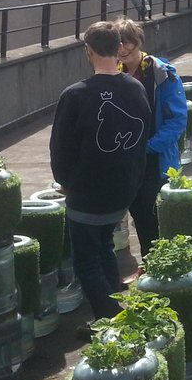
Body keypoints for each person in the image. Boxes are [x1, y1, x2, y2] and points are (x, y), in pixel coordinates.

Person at [50, 21, 151, 325]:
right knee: (105, 248)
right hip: (122, 192)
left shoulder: (75, 95)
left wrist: (66, 184)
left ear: (88, 51)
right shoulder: (136, 88)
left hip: (87, 195)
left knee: (86, 262)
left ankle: (112, 321)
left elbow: (60, 149)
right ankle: (114, 311)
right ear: (120, 49)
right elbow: (142, 139)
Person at [115, 18, 189, 258]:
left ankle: (160, 265)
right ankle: (148, 264)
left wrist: (147, 147)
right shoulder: (114, 76)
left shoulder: (161, 74)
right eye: (117, 44)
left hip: (155, 160)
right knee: (138, 213)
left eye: (128, 42)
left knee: (155, 215)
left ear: (139, 42)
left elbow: (176, 121)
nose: (123, 49)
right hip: (129, 161)